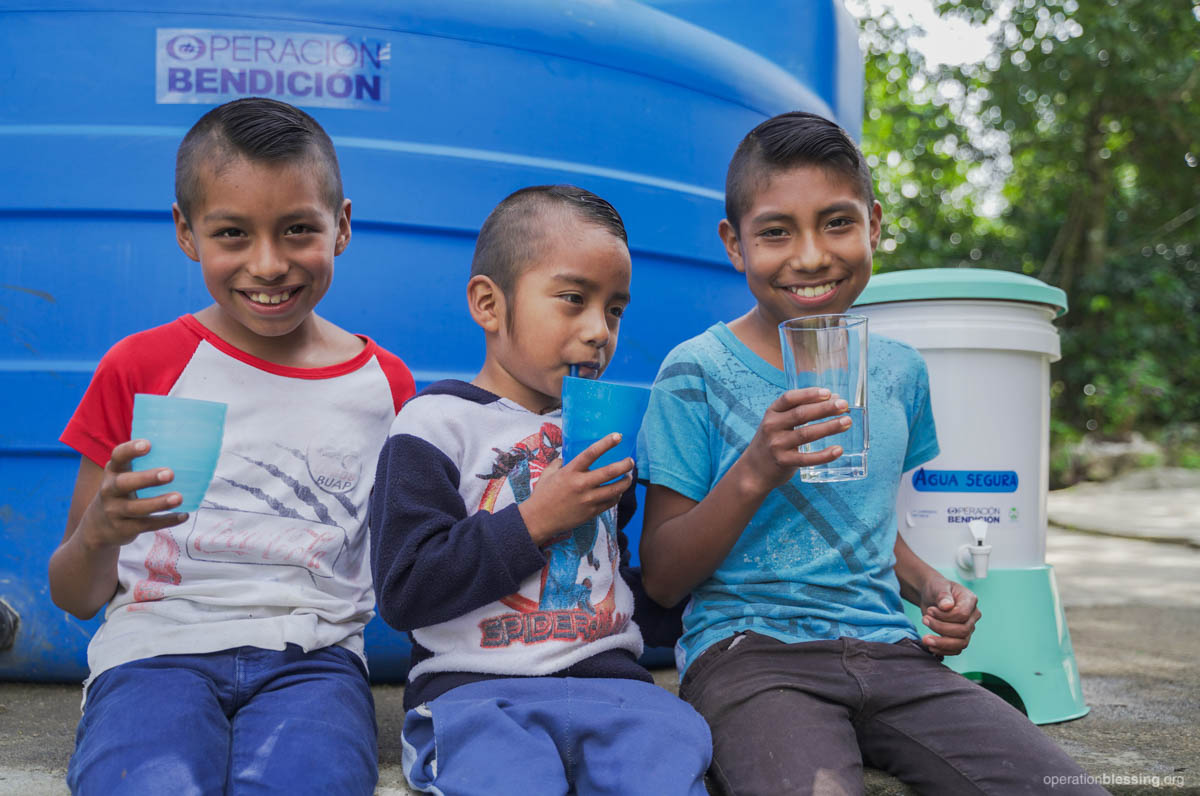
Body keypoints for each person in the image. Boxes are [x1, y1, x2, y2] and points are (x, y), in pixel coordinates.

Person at [636, 111, 1107, 795]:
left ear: (874, 226)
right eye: (775, 231)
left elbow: (865, 528)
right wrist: (756, 470)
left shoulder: (898, 372)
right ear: (734, 245)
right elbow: (663, 578)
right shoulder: (696, 372)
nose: (810, 255)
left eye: (837, 222)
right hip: (751, 656)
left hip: (891, 651)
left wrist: (933, 589)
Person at [48, 97, 415, 795]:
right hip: (152, 656)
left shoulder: (384, 385)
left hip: (315, 664)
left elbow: (407, 565)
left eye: (298, 229)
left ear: (341, 227)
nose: (268, 264)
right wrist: (100, 533)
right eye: (233, 234)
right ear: (187, 233)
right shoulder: (140, 367)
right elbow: (73, 593)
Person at [369, 185, 712, 795]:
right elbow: (405, 588)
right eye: (573, 299)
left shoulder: (601, 432)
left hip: (613, 687)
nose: (598, 331)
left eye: (614, 310)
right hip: (477, 692)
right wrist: (533, 519)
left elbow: (611, 577)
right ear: (488, 304)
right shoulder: (434, 424)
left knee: (675, 748)